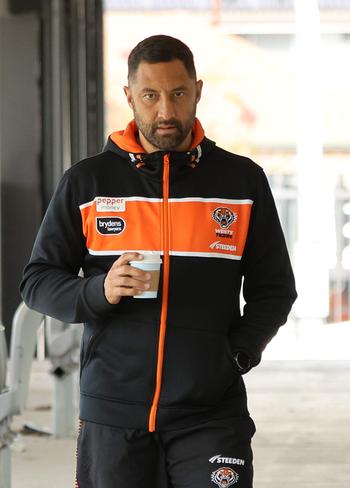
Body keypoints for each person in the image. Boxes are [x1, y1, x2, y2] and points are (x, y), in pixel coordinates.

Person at [21, 35, 296, 488]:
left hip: (210, 412)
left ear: (198, 91)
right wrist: (98, 290)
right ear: (129, 96)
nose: (165, 111)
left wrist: (237, 355)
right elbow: (37, 281)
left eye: (178, 93)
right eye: (150, 95)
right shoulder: (87, 182)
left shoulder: (241, 180)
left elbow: (275, 289)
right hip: (112, 412)